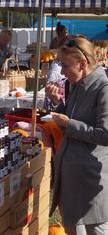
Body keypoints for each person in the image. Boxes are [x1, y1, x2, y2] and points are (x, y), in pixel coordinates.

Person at [46, 36, 108, 235]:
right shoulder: (73, 84)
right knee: (72, 228)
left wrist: (69, 124)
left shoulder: (103, 88)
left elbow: (105, 134)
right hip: (71, 175)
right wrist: (58, 103)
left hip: (91, 181)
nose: (62, 71)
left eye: (65, 66)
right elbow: (70, 121)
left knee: (96, 229)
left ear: (82, 64)